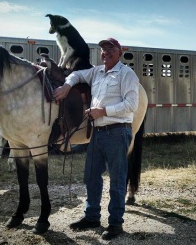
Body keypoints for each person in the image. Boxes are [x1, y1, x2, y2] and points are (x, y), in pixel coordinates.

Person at [53, 37, 139, 240]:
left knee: (117, 180)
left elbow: (131, 105)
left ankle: (115, 224)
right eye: (102, 49)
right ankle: (91, 216)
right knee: (91, 176)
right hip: (98, 134)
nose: (105, 52)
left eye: (110, 49)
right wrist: (66, 86)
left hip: (118, 132)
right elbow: (76, 75)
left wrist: (103, 111)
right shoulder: (97, 72)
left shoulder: (127, 74)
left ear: (119, 52)